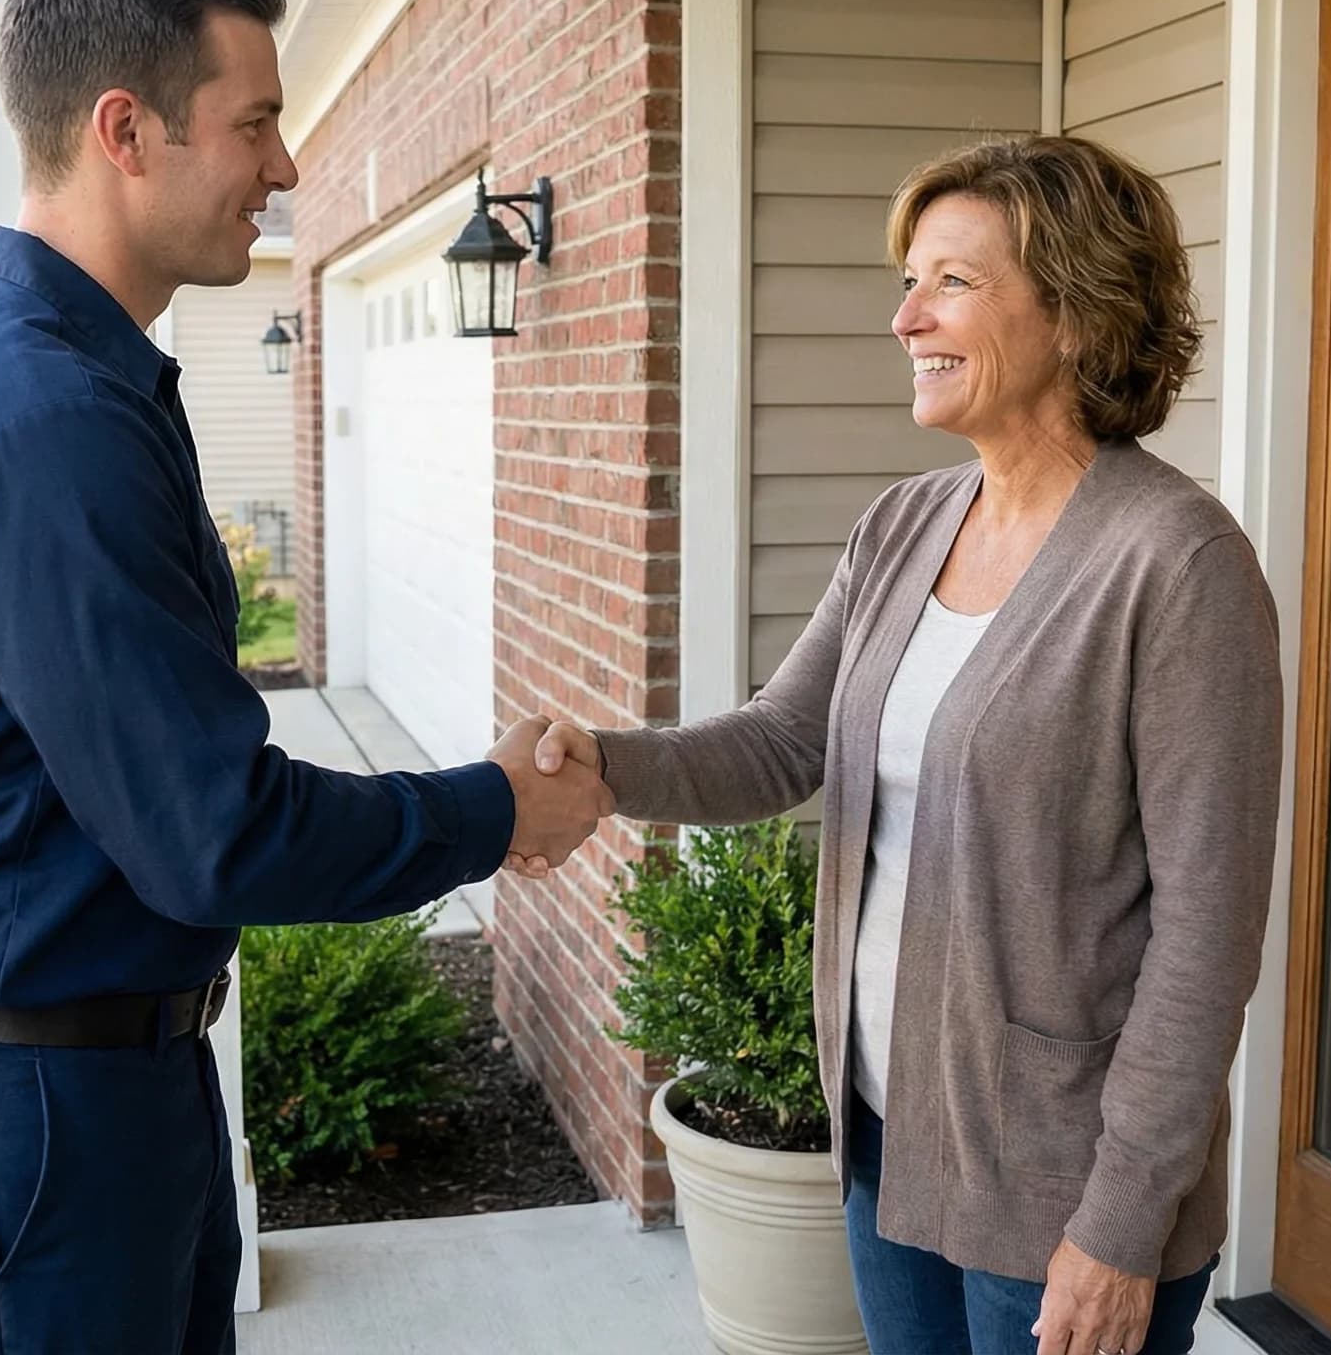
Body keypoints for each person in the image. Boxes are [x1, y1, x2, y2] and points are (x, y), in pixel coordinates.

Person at [0, 0, 613, 1355]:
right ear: (125, 130)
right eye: (254, 123)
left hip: (99, 1082)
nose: (289, 167)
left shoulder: (75, 383)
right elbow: (212, 831)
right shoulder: (41, 419)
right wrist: (496, 809)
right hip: (30, 1112)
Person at [533, 136, 1281, 1355]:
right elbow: (784, 742)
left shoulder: (1177, 565)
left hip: (1060, 1182)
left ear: (1079, 313)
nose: (904, 318)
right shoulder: (906, 525)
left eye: (951, 282)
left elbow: (1206, 939)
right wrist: (603, 768)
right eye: (907, 281)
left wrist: (1121, 1225)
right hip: (884, 1133)